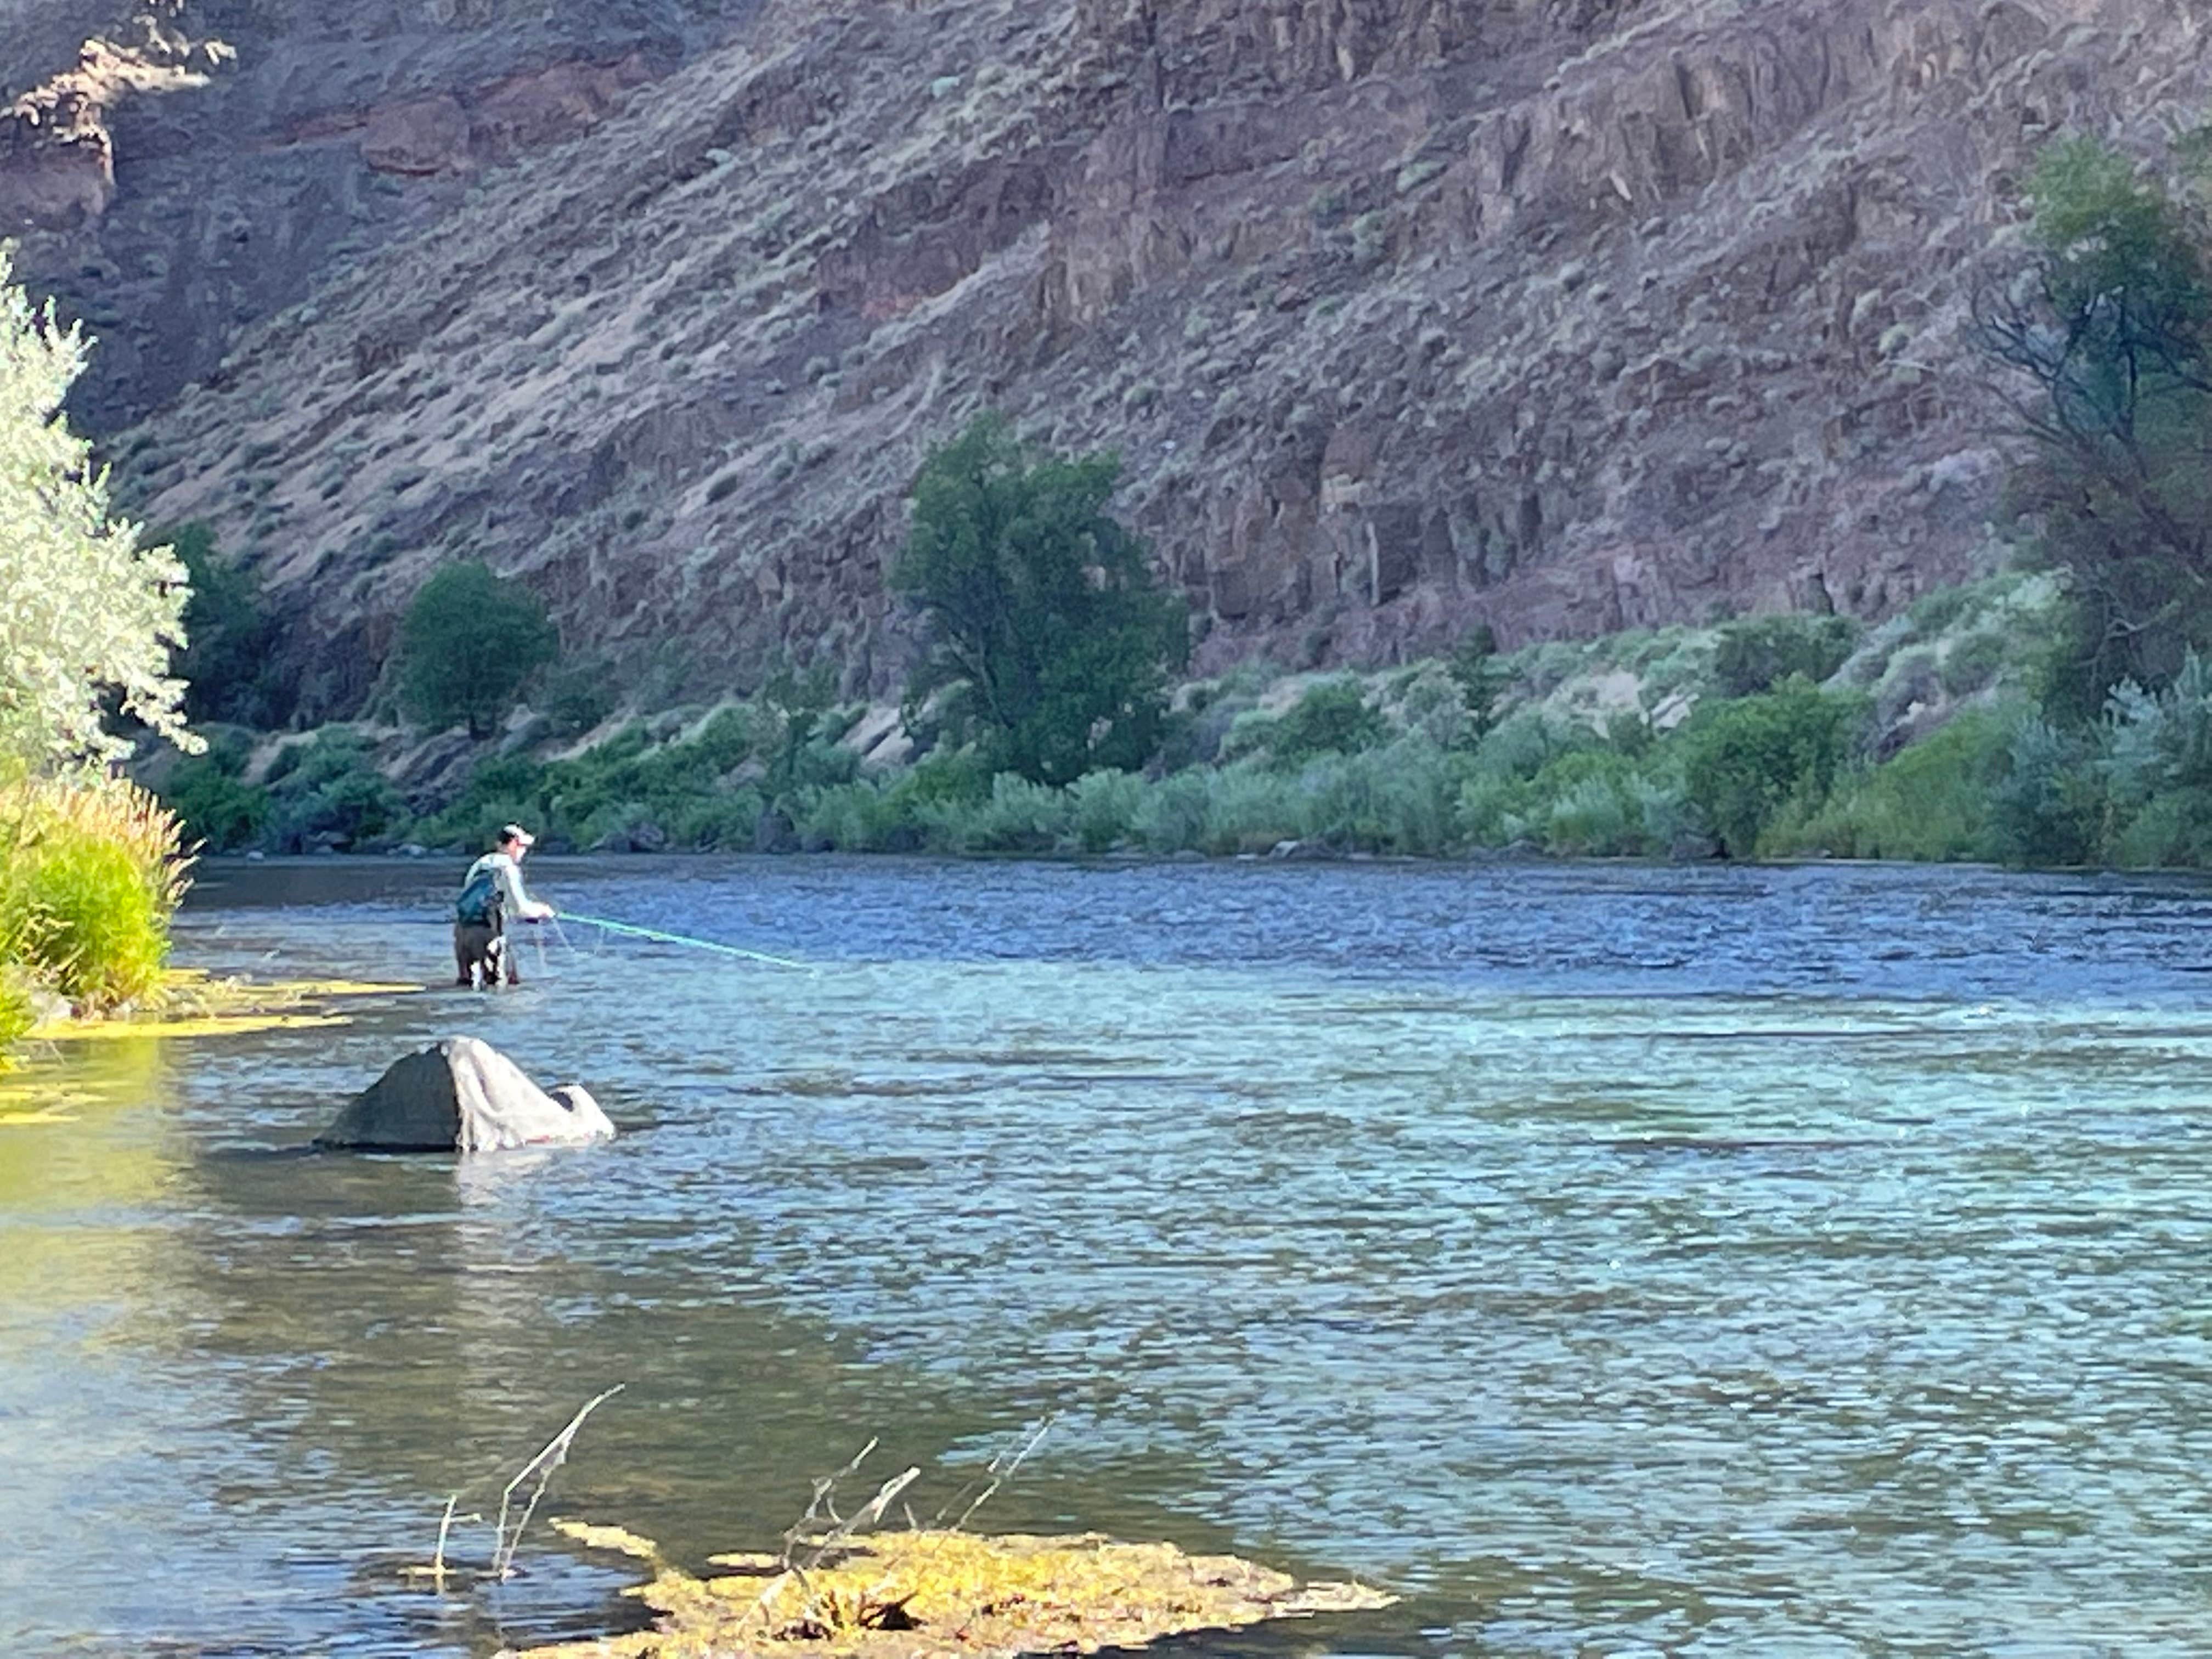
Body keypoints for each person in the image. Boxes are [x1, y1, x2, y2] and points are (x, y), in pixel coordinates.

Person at [454, 823, 555, 988]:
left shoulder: (481, 863)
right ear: (514, 844)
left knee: (466, 986)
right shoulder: (508, 867)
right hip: (488, 934)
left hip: (463, 932)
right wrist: (543, 911)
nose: (525, 852)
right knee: (502, 989)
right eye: (523, 847)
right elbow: (521, 909)